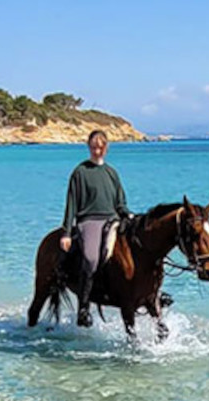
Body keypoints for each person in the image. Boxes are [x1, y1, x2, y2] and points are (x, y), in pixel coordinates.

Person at [61, 129, 136, 327]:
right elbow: (71, 204)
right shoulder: (80, 172)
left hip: (113, 219)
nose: (97, 151)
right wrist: (67, 232)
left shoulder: (111, 172)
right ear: (89, 147)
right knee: (91, 258)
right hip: (89, 220)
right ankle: (83, 307)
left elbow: (120, 201)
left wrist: (128, 214)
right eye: (94, 147)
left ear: (106, 148)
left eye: (101, 147)